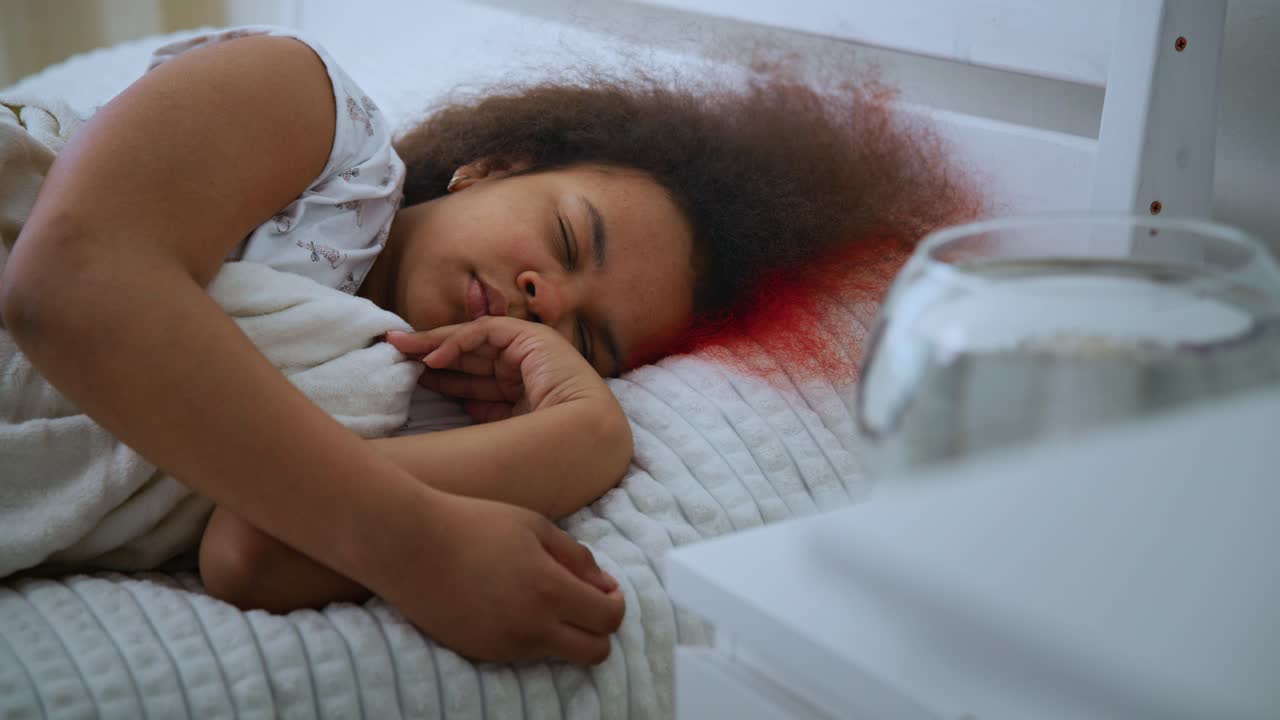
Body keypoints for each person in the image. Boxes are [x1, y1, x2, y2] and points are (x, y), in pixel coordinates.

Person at [0, 28, 978, 665]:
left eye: (588, 338)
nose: (542, 298)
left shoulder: (396, 404)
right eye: (563, 240)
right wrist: (420, 548)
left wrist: (588, 435)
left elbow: (252, 553)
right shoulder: (308, 116)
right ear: (492, 168)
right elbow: (67, 282)